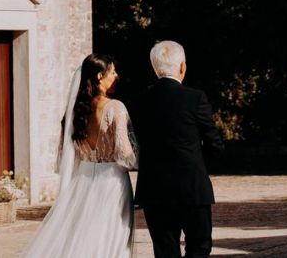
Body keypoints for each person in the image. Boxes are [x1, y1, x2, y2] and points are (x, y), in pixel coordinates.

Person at [22, 53, 137, 257]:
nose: (116, 75)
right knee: (111, 236)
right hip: (112, 181)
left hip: (83, 179)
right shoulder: (115, 107)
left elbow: (66, 152)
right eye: (112, 71)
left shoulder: (75, 111)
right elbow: (124, 153)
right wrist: (138, 161)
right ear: (100, 76)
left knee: (81, 234)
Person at [129, 41, 225, 258]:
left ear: (154, 68)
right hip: (192, 187)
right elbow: (215, 144)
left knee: (165, 250)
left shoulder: (138, 101)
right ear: (182, 66)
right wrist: (198, 166)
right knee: (199, 247)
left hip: (154, 189)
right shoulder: (195, 98)